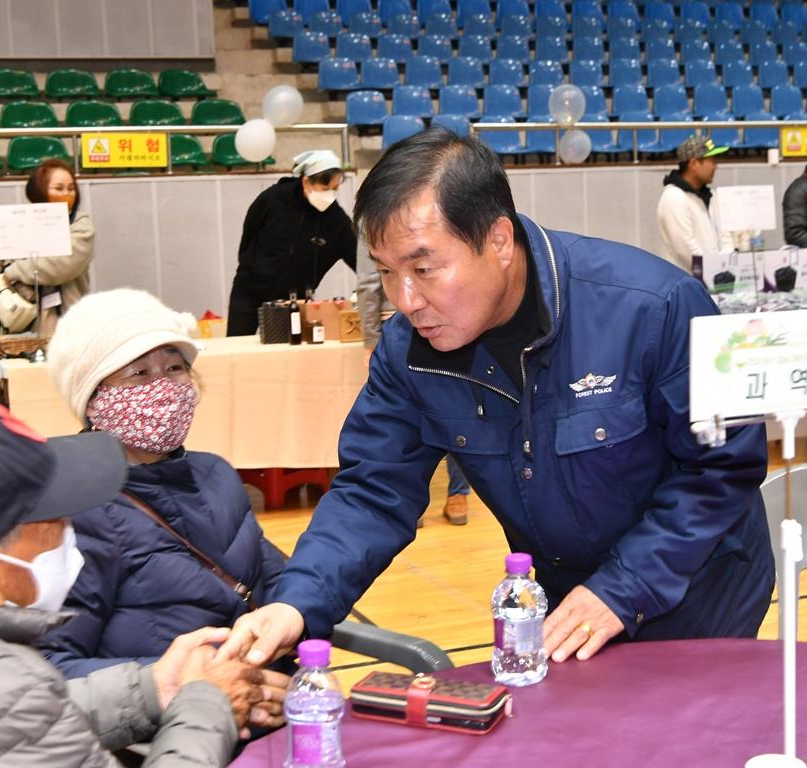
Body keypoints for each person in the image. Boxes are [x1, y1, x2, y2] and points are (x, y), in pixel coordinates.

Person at [218, 130, 775, 670]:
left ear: (499, 241)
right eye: (387, 272)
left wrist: (624, 586)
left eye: (423, 269)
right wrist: (296, 603)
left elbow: (720, 468)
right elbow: (373, 490)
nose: (405, 299)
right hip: (568, 606)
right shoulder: (409, 350)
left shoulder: (653, 307)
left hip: (699, 595)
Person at [0, 397, 271, 766]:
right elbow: (8, 715)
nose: (72, 533)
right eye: (55, 520)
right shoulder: (7, 689)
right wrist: (206, 707)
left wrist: (153, 689)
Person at [38, 288, 289, 726]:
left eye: (175, 368)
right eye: (137, 374)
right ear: (93, 399)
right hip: (172, 730)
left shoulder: (216, 474)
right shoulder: (78, 510)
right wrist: (173, 685)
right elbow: (49, 669)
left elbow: (276, 582)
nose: (163, 387)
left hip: (269, 704)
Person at [356, 236, 469, 526]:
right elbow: (369, 283)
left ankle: (449, 495)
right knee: (437, 412)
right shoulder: (378, 225)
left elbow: (369, 284)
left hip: (432, 324)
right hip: (411, 328)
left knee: (450, 411)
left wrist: (371, 337)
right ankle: (433, 497)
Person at [227, 150, 357, 336]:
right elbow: (249, 236)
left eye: (334, 188)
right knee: (237, 350)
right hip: (248, 293)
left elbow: (362, 262)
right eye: (324, 187)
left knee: (284, 358)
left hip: (294, 304)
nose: (330, 195)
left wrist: (357, 294)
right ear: (306, 181)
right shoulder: (272, 199)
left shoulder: (337, 221)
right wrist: (252, 271)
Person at [0, 158, 94, 335]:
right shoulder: (21, 220)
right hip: (20, 323)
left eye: (71, 188)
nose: (68, 194)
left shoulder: (81, 225)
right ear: (40, 190)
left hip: (68, 325)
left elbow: (61, 265)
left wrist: (10, 273)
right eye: (59, 188)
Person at [655, 134, 734, 274]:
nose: (716, 166)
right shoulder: (673, 197)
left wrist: (726, 264)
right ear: (694, 164)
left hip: (714, 280)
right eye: (712, 161)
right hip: (687, 286)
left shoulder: (711, 195)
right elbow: (686, 250)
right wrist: (717, 270)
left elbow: (725, 234)